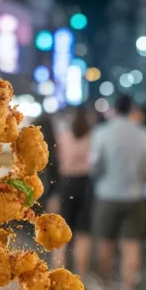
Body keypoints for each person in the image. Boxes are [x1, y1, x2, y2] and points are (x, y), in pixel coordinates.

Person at [89, 95, 146, 290]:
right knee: (131, 244)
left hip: (106, 195)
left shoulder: (101, 133)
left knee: (105, 242)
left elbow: (94, 166)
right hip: (135, 195)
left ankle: (105, 287)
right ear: (131, 109)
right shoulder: (144, 133)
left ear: (114, 109)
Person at [55, 108, 94, 275]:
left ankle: (58, 273)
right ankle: (80, 275)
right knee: (83, 233)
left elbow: (57, 161)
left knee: (61, 233)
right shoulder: (91, 138)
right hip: (85, 184)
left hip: (66, 183)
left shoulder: (63, 137)